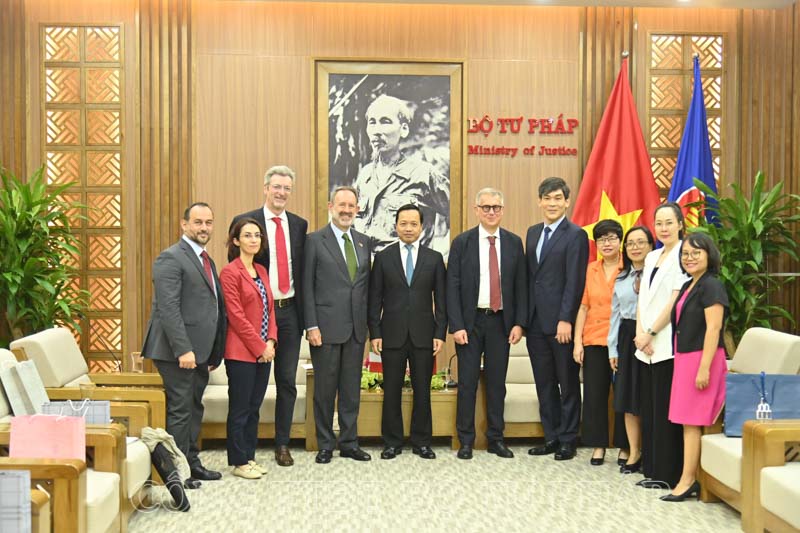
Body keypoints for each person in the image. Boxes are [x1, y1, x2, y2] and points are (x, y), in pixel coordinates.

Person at [141, 202, 227, 486]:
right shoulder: (171, 258)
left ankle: (191, 462)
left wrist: (212, 350)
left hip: (199, 352)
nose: (204, 228)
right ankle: (176, 474)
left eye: (208, 223)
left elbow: (211, 306)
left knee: (193, 407)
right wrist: (184, 349)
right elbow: (168, 309)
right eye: (198, 222)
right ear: (184, 224)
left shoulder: (205, 259)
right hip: (177, 352)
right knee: (180, 410)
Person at [229, 165, 308, 467]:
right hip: (257, 314)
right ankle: (245, 449)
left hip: (290, 313)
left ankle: (282, 443)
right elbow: (236, 272)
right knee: (253, 386)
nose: (281, 192)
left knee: (286, 381)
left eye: (287, 188)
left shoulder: (299, 225)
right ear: (265, 188)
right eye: (276, 186)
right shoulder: (246, 222)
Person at [447, 187, 526, 460]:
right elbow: (452, 286)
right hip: (470, 323)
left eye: (496, 207)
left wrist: (519, 323)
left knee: (496, 384)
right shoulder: (462, 242)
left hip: (501, 323)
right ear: (476, 210)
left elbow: (521, 286)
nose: (491, 212)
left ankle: (496, 439)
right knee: (467, 383)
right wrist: (456, 325)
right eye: (486, 207)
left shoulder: (514, 243)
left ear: (502, 210)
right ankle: (466, 440)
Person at [368, 203, 447, 460]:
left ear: (421, 227)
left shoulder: (434, 259)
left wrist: (440, 333)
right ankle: (391, 442)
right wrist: (375, 332)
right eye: (404, 223)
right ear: (396, 226)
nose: (408, 228)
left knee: (422, 391)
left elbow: (442, 301)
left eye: (414, 224)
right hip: (391, 335)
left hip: (424, 335)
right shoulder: (383, 257)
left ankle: (422, 441)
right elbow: (374, 299)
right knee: (391, 390)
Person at [303, 186, 373, 463]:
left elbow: (364, 287)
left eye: (351, 206)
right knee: (324, 390)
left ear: (357, 209)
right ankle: (325, 444)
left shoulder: (363, 242)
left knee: (351, 390)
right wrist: (311, 325)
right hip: (325, 328)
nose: (346, 210)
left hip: (356, 329)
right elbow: (307, 287)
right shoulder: (314, 241)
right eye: (341, 205)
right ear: (331, 206)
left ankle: (349, 442)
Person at [661, 233, 728, 501]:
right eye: (685, 254)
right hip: (685, 358)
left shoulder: (712, 285)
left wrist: (704, 368)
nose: (689, 258)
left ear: (709, 255)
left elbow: (714, 328)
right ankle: (688, 478)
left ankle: (687, 481)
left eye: (696, 253)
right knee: (686, 421)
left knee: (691, 422)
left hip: (703, 359)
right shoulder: (690, 284)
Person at [526, 177, 589, 461]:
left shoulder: (575, 235)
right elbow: (532, 278)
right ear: (539, 201)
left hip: (561, 324)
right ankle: (551, 437)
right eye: (547, 198)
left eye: (557, 198)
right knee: (544, 383)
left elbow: (575, 281)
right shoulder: (532, 233)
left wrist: (566, 318)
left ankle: (568, 439)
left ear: (567, 202)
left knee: (568, 383)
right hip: (535, 323)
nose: (552, 203)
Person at [634, 202, 689, 489]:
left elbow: (675, 301)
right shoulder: (653, 255)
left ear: (680, 224)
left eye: (669, 222)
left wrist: (652, 332)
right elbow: (643, 299)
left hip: (666, 343)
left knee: (666, 411)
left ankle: (668, 474)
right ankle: (652, 469)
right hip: (645, 345)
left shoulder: (684, 255)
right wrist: (640, 333)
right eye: (659, 223)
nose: (664, 228)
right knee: (650, 409)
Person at [353, 94, 450, 254]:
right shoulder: (365, 176)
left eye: (385, 121)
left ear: (403, 129)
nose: (377, 131)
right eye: (372, 122)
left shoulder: (423, 174)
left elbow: (459, 213)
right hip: (367, 267)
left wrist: (440, 256)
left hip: (408, 267)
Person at [219, 218, 278, 479]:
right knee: (240, 408)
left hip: (265, 352)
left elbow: (270, 310)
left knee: (254, 407)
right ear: (236, 240)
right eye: (247, 235)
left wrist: (271, 342)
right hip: (241, 353)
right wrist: (259, 346)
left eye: (257, 235)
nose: (253, 240)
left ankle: (250, 456)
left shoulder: (261, 270)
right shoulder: (230, 273)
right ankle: (239, 461)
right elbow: (236, 316)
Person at [572, 219, 629, 465]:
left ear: (620, 241)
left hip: (623, 340)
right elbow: (583, 307)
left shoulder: (630, 267)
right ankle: (598, 445)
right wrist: (577, 342)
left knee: (623, 394)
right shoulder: (590, 269)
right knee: (594, 394)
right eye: (602, 239)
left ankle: (625, 446)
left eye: (612, 238)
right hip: (594, 339)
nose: (607, 243)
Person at [608, 225, 655, 474]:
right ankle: (634, 452)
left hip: (653, 337)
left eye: (641, 242)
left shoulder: (658, 275)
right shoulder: (621, 278)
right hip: (627, 337)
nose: (635, 248)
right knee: (628, 398)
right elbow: (614, 315)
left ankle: (652, 452)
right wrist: (612, 349)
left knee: (649, 397)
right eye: (630, 243)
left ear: (651, 246)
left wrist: (650, 336)